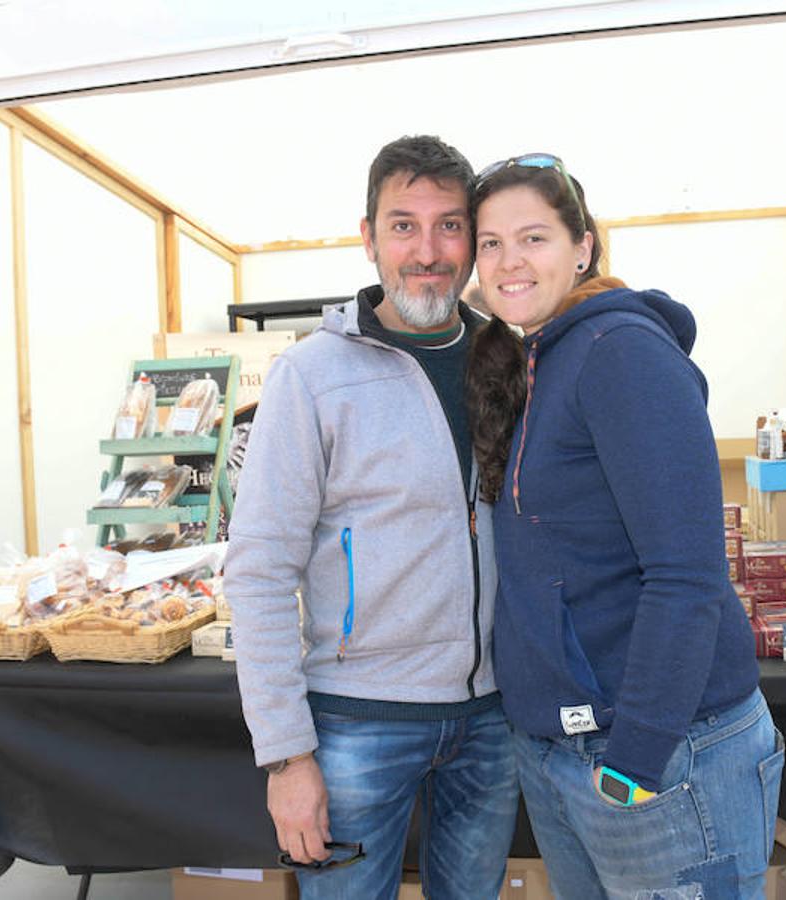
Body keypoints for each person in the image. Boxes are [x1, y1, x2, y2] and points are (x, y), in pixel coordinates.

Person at [466, 154, 784, 899]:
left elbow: (688, 573)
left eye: (534, 237)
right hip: (567, 752)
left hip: (665, 752)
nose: (510, 261)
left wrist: (636, 760)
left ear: (584, 245)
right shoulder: (536, 359)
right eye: (491, 242)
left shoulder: (622, 354)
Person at [225, 135, 517, 900]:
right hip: (356, 724)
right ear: (367, 238)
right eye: (403, 225)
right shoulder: (309, 378)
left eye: (449, 225)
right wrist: (286, 758)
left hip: (492, 720)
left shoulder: (507, 359)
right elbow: (258, 572)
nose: (428, 250)